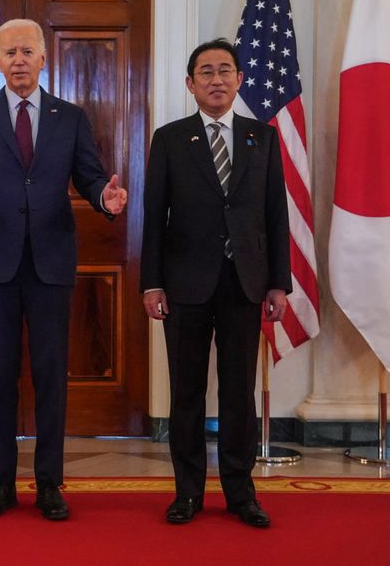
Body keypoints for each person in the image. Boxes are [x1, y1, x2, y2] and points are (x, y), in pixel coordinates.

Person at [0, 19, 128, 521]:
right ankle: (0, 483)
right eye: (9, 52)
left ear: (44, 59)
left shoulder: (71, 116)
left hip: (51, 261)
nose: (18, 60)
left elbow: (90, 175)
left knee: (49, 376)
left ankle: (48, 483)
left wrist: (104, 197)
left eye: (27, 51)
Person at [141, 38, 290, 528]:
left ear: (240, 79)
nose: (216, 79)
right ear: (190, 84)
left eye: (225, 70)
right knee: (186, 393)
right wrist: (151, 283)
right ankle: (186, 493)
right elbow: (153, 218)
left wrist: (278, 284)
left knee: (237, 395)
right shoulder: (169, 138)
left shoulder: (261, 138)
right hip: (184, 285)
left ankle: (240, 493)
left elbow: (275, 215)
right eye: (205, 72)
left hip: (245, 283)